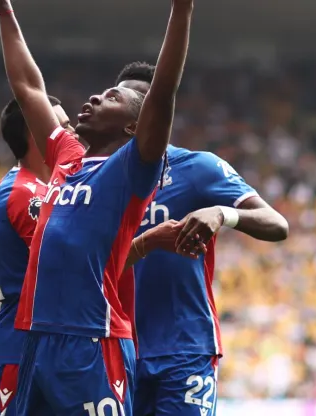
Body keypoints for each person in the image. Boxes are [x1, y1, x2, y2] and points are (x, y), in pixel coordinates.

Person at [0, 0, 193, 412]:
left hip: (92, 340)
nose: (96, 97)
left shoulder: (131, 170)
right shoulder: (65, 156)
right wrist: (5, 12)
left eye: (112, 98)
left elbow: (163, 93)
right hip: (35, 337)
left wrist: (182, 10)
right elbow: (28, 87)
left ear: (135, 127)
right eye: (100, 93)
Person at [114, 61, 289, 416]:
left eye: (148, 100)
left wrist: (225, 214)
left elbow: (276, 224)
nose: (141, 110)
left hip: (184, 347)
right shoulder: (97, 179)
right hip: (116, 347)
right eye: (128, 99)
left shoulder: (198, 168)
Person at [0, 96, 67, 416]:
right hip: (20, 344)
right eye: (62, 127)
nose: (72, 133)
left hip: (36, 341)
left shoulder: (37, 187)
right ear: (37, 132)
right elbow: (63, 267)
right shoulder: (29, 194)